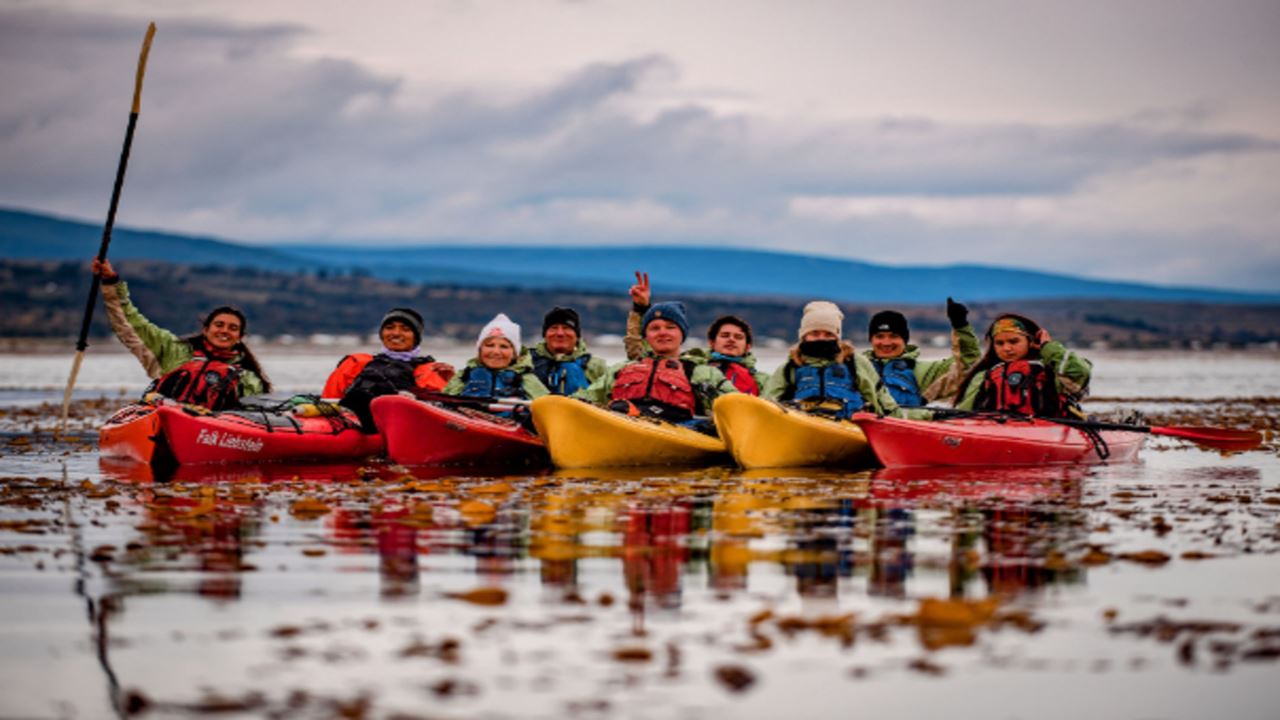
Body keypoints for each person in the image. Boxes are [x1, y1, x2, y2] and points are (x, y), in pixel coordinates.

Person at [92, 258, 270, 410]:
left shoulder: (248, 378)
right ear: (205, 330)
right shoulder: (173, 349)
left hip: (213, 433)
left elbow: (254, 420)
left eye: (232, 328)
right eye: (219, 325)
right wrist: (111, 281)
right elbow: (130, 320)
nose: (224, 331)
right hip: (165, 421)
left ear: (240, 337)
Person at [578, 292, 738, 424]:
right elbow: (584, 399)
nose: (662, 332)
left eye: (670, 327)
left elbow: (736, 404)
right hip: (622, 424)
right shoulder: (622, 369)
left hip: (677, 431)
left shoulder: (700, 372)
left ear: (681, 334)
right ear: (646, 336)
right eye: (654, 328)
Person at [763, 300, 925, 420]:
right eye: (815, 334)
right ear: (804, 336)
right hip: (801, 425)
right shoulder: (789, 367)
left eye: (828, 334)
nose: (822, 339)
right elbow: (766, 403)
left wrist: (915, 419)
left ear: (837, 337)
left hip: (847, 427)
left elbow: (883, 404)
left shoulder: (855, 363)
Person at [624, 272, 767, 395]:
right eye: (724, 336)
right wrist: (641, 308)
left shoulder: (760, 379)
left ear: (748, 346)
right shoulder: (691, 364)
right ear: (711, 342)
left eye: (738, 337)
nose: (731, 340)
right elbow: (640, 348)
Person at [322, 307, 455, 431]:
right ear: (382, 334)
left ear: (416, 337)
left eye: (405, 329)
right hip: (352, 424)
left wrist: (452, 382)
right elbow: (328, 400)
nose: (396, 333)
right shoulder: (355, 362)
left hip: (400, 427)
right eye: (389, 328)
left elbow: (445, 414)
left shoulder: (432, 370)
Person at [954, 313, 1091, 417]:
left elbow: (1080, 372)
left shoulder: (1051, 371)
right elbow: (963, 413)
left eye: (1014, 342)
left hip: (1048, 431)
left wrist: (1048, 347)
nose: (1007, 348)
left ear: (1031, 341)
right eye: (1000, 343)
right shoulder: (984, 376)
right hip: (996, 431)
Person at [861, 298, 981, 407]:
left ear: (905, 340)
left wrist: (961, 327)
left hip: (903, 427)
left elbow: (969, 364)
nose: (886, 343)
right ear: (871, 339)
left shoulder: (928, 371)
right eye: (879, 336)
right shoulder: (856, 368)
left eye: (894, 336)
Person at [443, 313, 549, 402]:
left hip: (508, 423)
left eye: (504, 347)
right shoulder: (464, 375)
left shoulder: (526, 379)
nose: (496, 352)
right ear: (480, 350)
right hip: (467, 422)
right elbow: (444, 402)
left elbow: (547, 407)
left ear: (514, 354)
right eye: (489, 345)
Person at [529, 306, 609, 395]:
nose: (560, 333)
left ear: (577, 335)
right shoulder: (527, 363)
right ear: (545, 334)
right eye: (554, 328)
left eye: (566, 328)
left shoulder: (596, 366)